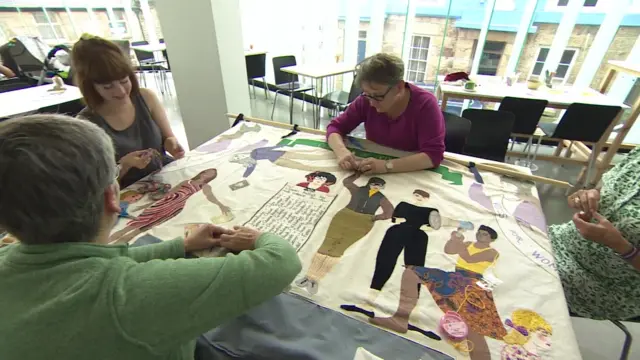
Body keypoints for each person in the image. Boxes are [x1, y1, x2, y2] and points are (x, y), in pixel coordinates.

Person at [0, 114, 302, 360]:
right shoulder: (127, 296)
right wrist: (257, 237)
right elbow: (281, 262)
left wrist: (179, 246)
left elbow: (83, 265)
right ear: (112, 197)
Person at [71, 34, 185, 187]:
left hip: (164, 177)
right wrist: (124, 165)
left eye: (124, 81)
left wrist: (172, 144)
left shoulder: (146, 97)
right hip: (128, 192)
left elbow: (168, 138)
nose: (120, 91)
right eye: (107, 87)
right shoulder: (86, 124)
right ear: (91, 87)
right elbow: (97, 186)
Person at [549, 147, 640, 321]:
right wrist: (587, 196)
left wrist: (618, 244)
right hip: (561, 240)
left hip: (602, 284)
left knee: (512, 277)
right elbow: (603, 190)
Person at [326, 53, 445, 175]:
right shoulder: (366, 100)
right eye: (367, 94)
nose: (371, 103)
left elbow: (433, 155)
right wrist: (341, 152)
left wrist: (386, 165)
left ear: (399, 87)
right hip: (376, 163)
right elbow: (335, 127)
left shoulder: (425, 104)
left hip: (410, 171)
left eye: (378, 96)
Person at [295, 174, 393, 294]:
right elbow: (346, 182)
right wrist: (358, 173)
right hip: (344, 216)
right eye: (374, 184)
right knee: (326, 245)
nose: (376, 187)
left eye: (380, 186)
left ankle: (316, 279)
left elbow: (390, 212)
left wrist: (374, 218)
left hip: (362, 223)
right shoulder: (358, 189)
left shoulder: (381, 198)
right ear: (369, 183)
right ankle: (308, 275)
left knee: (339, 250)